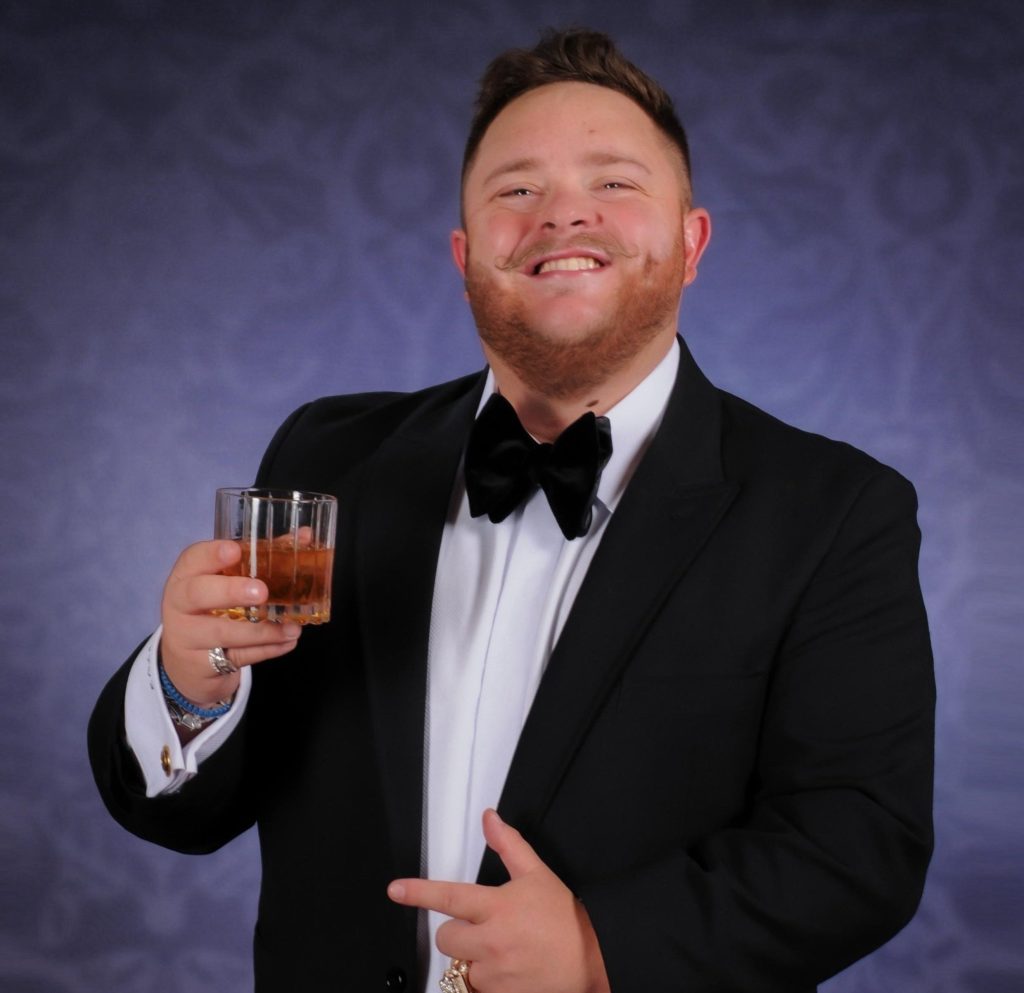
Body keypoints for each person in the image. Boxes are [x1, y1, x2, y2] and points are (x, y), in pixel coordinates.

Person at [89, 27, 935, 993]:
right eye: (517, 190)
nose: (562, 215)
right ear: (464, 255)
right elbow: (183, 815)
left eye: (613, 181)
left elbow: (858, 847)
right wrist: (191, 682)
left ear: (691, 242)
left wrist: (602, 949)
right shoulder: (329, 455)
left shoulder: (835, 510)